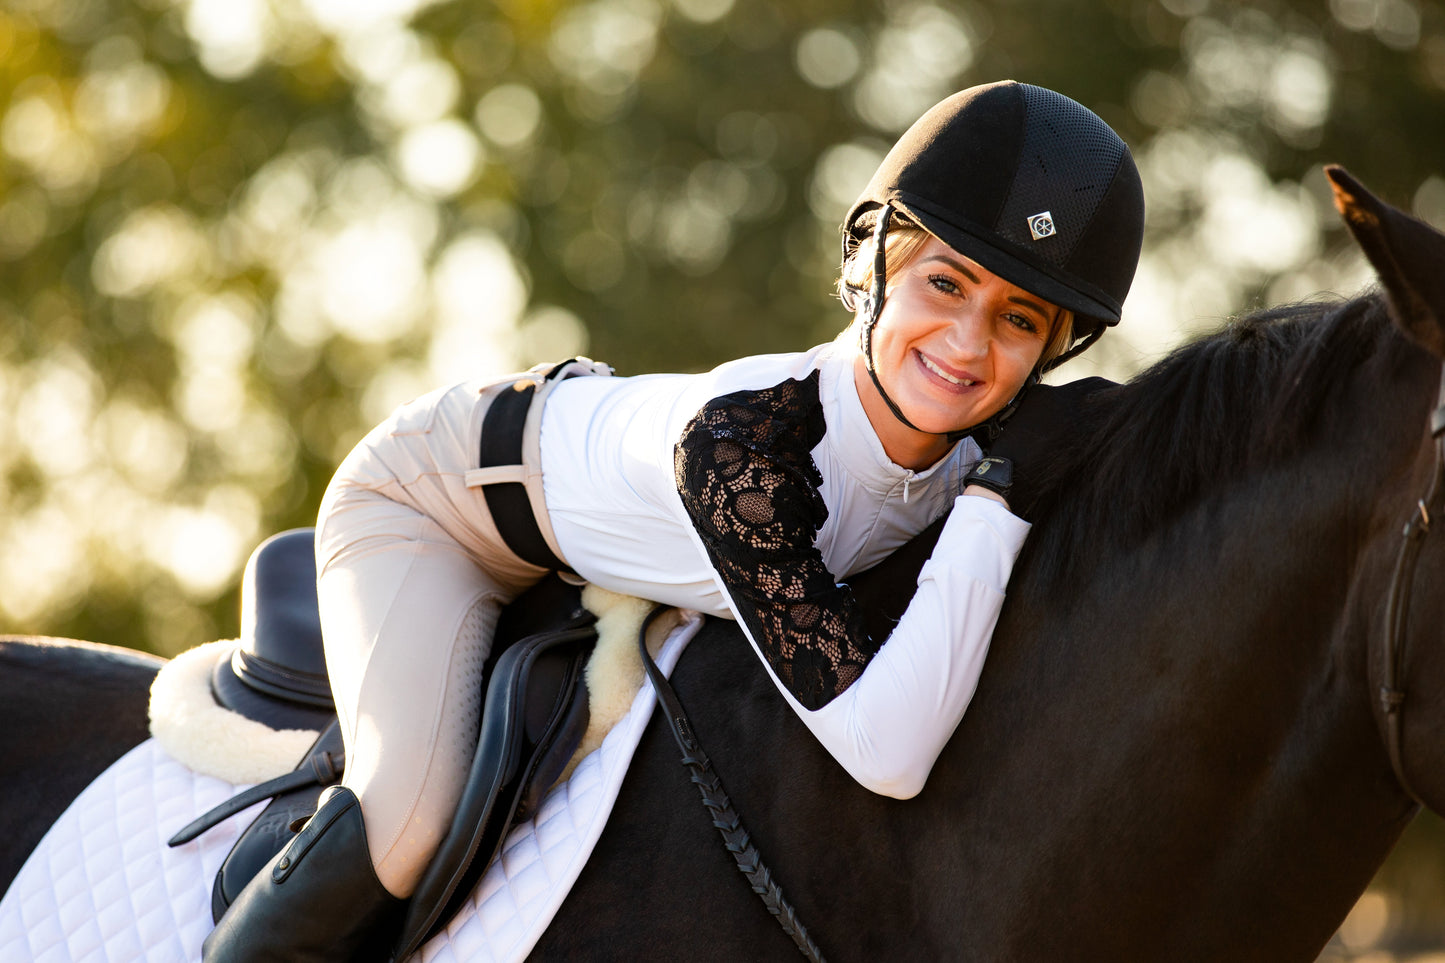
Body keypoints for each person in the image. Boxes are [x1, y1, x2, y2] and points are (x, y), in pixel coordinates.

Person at [204, 79, 1146, 961]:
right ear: (871, 262)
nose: (968, 344)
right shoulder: (743, 450)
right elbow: (889, 754)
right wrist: (998, 497)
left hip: (589, 503)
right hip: (441, 499)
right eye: (944, 284)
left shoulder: (986, 439)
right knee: (406, 821)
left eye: (1018, 319)